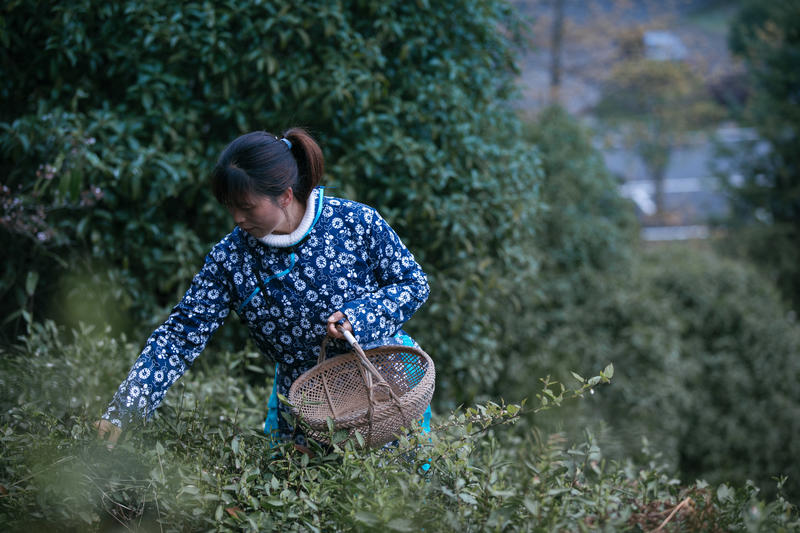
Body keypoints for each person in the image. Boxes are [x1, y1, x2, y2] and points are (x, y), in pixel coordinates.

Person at [94, 128, 431, 449]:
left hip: (386, 393)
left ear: (285, 195)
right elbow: (180, 336)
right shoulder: (231, 260)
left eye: (247, 207)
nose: (237, 219)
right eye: (230, 207)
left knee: (396, 500)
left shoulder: (354, 222)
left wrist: (359, 317)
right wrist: (125, 410)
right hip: (305, 412)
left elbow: (413, 284)